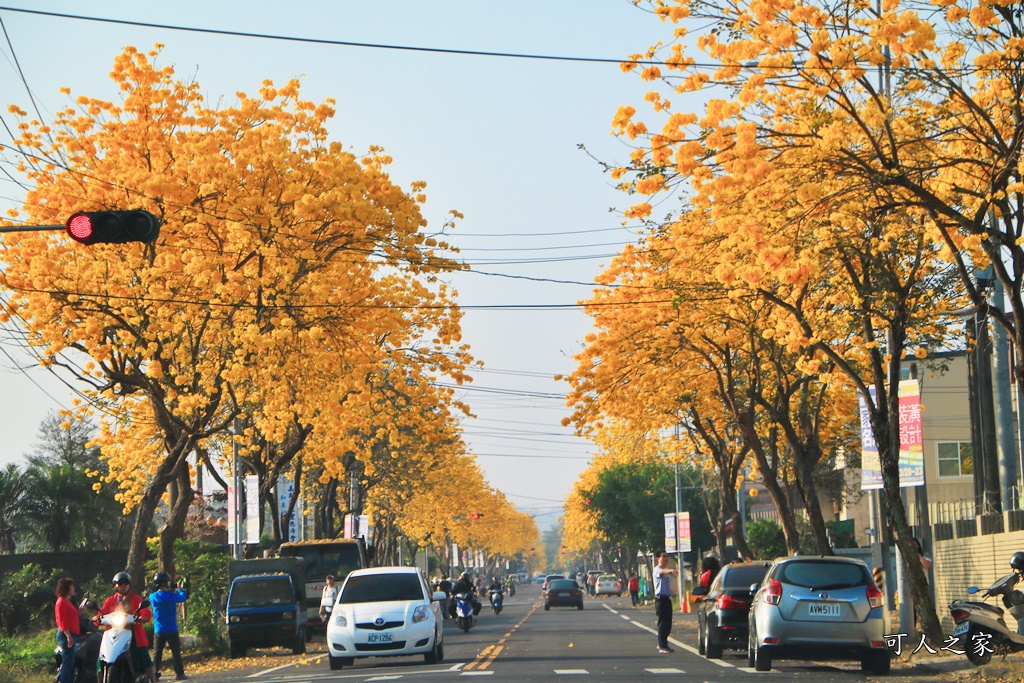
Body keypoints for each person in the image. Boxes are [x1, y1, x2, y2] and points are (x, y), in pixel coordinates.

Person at [97, 572, 157, 683]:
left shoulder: (136, 599)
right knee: (101, 660)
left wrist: (143, 617)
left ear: (129, 585)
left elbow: (144, 611)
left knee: (144, 657)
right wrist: (97, 618)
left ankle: (153, 680)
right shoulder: (110, 600)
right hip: (113, 635)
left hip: (133, 634)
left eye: (125, 583)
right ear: (115, 585)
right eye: (120, 584)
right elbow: (102, 612)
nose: (123, 586)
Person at [150, 572, 188, 681]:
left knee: (157, 653)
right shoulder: (172, 596)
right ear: (167, 583)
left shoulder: (152, 597)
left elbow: (154, 595)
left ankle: (155, 674)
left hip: (158, 629)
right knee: (176, 652)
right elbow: (183, 597)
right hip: (171, 628)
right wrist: (179, 588)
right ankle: (179, 673)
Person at [55, 577, 82, 683]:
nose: (73, 588)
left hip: (72, 633)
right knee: (68, 663)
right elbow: (61, 621)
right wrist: (68, 636)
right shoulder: (61, 602)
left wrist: (79, 611)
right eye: (72, 586)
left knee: (70, 662)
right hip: (67, 634)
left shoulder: (67, 601)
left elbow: (72, 617)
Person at [653, 551, 678, 654]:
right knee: (663, 623)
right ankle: (662, 645)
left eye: (667, 556)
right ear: (658, 558)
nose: (666, 558)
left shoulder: (665, 572)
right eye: (663, 556)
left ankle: (663, 643)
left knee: (668, 623)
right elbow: (662, 572)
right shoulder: (657, 570)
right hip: (661, 600)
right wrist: (671, 570)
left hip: (667, 599)